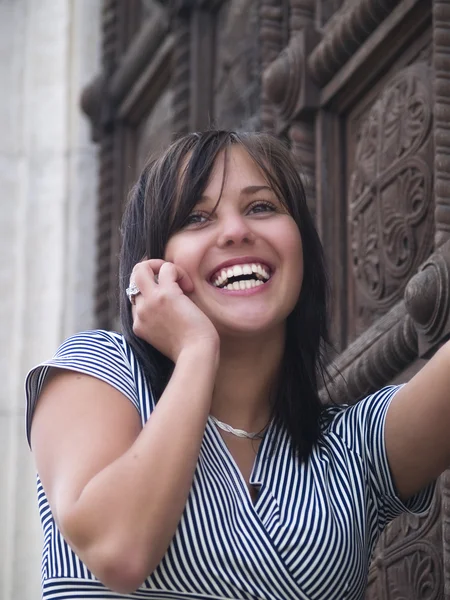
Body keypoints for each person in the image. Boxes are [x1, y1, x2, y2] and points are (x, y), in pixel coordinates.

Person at [25, 130, 447, 600]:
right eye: (196, 217)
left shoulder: (352, 451)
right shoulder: (96, 371)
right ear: (152, 265)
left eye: (261, 207)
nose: (236, 231)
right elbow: (118, 552)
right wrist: (195, 352)